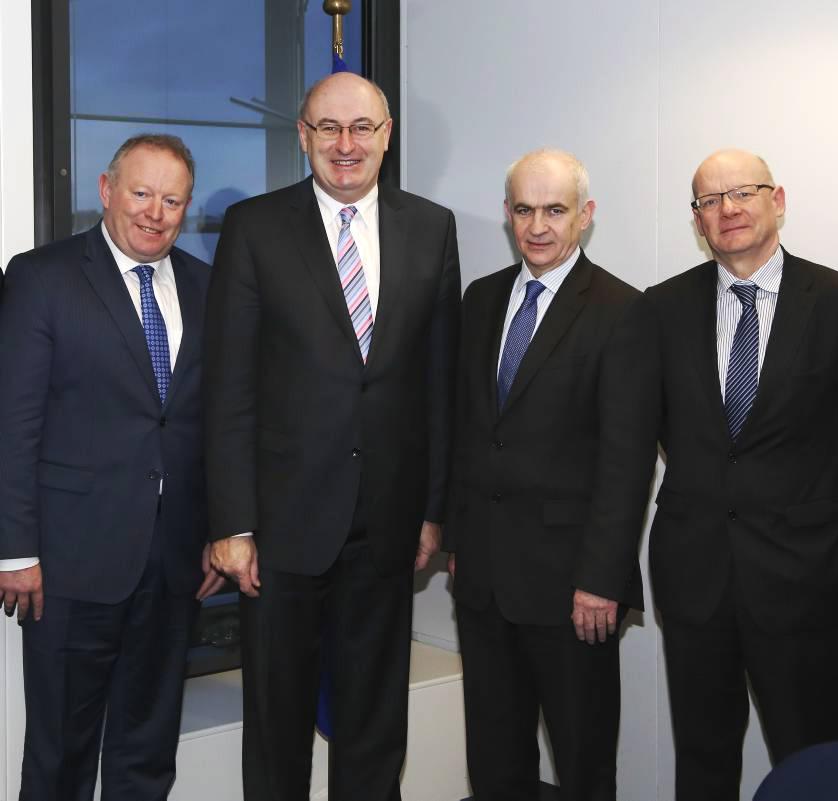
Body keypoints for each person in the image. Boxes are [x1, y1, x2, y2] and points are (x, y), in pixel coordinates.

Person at [202, 72, 460, 801]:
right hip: (279, 531)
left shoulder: (432, 227)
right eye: (328, 128)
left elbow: (438, 383)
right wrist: (232, 523)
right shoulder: (254, 227)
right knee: (277, 730)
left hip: (387, 526)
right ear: (303, 136)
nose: (346, 144)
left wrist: (432, 509)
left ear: (386, 135)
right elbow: (228, 387)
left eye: (361, 128)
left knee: (374, 730)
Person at [644, 149, 838, 799]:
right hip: (696, 576)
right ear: (697, 220)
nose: (728, 209)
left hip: (806, 576)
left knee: (814, 767)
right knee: (702, 761)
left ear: (778, 200)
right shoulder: (661, 308)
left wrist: (798, 505)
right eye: (709, 200)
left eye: (743, 192)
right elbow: (666, 431)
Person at [0, 133, 222, 800]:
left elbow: (213, 424)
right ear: (106, 190)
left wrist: (220, 530)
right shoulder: (41, 277)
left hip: (173, 564)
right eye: (141, 193)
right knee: (59, 760)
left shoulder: (206, 287)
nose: (155, 212)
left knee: (147, 754)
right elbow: (14, 422)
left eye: (172, 200)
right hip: (69, 565)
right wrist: (15, 550)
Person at [445, 148, 658, 801]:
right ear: (507, 214)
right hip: (483, 583)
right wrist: (457, 536)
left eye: (555, 210)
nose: (537, 226)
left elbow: (627, 461)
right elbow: (467, 430)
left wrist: (600, 580)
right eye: (524, 210)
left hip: (573, 592)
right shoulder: (481, 299)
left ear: (585, 215)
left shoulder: (622, 309)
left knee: (582, 766)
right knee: (494, 764)